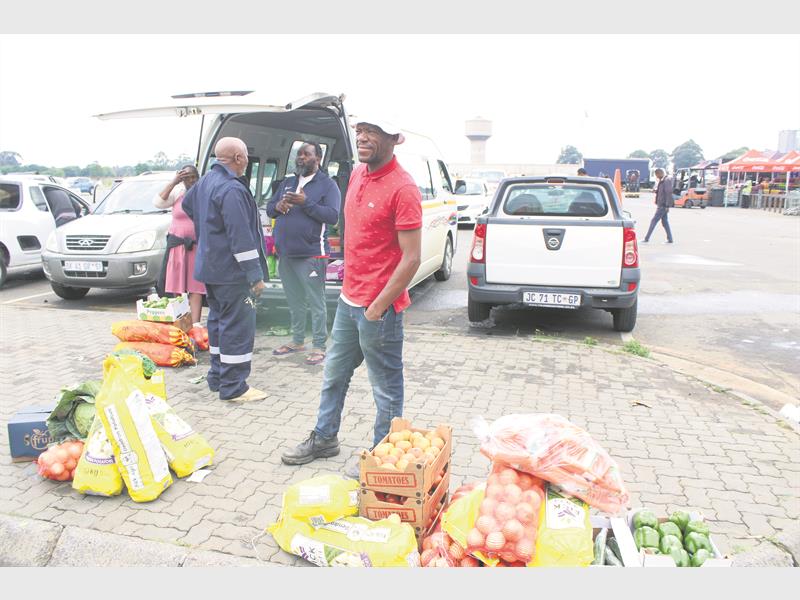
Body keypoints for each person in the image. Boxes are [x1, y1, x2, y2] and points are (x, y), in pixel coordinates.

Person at [281, 117, 422, 472]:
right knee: (333, 375)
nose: (362, 137)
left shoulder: (403, 188)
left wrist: (376, 308)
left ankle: (381, 458)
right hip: (348, 300)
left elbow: (412, 258)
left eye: (372, 131)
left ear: (394, 139)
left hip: (380, 310)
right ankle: (325, 437)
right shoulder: (357, 174)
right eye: (360, 130)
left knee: (386, 390)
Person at [182, 138, 269, 403]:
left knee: (218, 322)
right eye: (245, 157)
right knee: (237, 327)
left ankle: (218, 377)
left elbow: (187, 204)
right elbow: (241, 237)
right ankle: (234, 387)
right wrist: (255, 276)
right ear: (238, 158)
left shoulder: (207, 181)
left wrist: (209, 233)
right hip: (233, 274)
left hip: (210, 268)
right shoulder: (231, 189)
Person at [267, 142, 341, 366]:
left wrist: (306, 203)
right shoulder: (288, 182)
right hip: (286, 253)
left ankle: (319, 345)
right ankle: (297, 340)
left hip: (312, 254)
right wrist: (278, 205)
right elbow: (270, 208)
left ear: (317, 159)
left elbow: (332, 216)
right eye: (298, 154)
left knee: (315, 301)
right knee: (294, 300)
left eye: (306, 154)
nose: (300, 158)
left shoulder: (327, 186)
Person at [153, 166, 204, 327]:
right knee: (177, 286)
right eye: (186, 177)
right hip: (177, 246)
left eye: (193, 177)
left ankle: (195, 325)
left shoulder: (203, 192)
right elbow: (158, 202)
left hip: (196, 246)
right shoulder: (177, 192)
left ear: (198, 177)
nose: (190, 180)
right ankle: (179, 323)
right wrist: (174, 182)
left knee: (196, 287)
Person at [643, 168, 674, 244]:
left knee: (654, 221)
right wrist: (656, 191)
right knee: (665, 222)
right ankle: (670, 239)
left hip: (663, 205)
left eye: (657, 175)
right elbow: (663, 192)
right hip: (662, 204)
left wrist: (667, 205)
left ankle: (646, 238)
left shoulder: (666, 180)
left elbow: (668, 193)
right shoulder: (663, 180)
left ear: (660, 173)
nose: (656, 177)